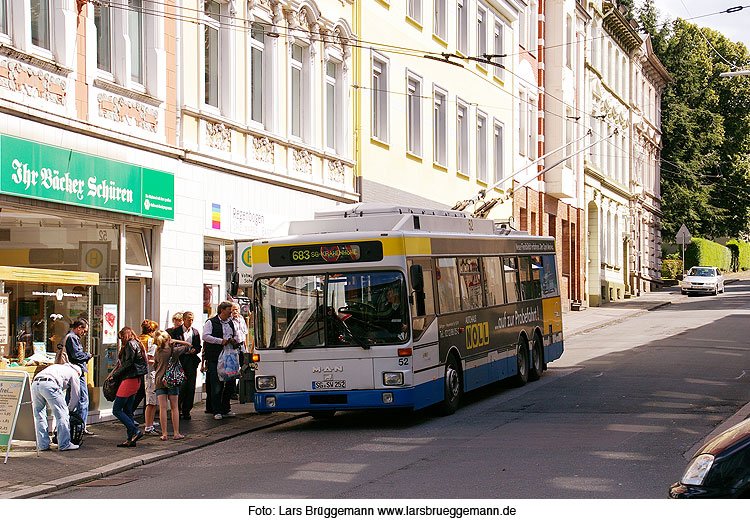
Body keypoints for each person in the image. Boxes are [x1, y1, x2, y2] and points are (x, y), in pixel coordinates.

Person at [31, 363, 83, 451]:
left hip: (36, 383)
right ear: (78, 373)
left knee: (39, 415)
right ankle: (64, 444)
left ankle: (43, 445)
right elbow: (76, 395)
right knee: (62, 415)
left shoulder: (58, 367)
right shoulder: (74, 373)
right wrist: (70, 410)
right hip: (50, 384)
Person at [111, 327, 148, 447]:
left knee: (116, 409)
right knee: (128, 410)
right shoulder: (137, 343)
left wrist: (115, 375)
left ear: (124, 336)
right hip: (136, 380)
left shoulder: (130, 345)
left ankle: (134, 431)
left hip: (129, 379)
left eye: (121, 337)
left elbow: (128, 363)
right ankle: (130, 439)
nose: (121, 340)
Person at [202, 301, 238, 420]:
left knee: (231, 382)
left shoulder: (231, 322)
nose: (231, 312)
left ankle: (226, 408)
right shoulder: (211, 322)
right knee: (216, 384)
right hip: (215, 357)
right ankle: (216, 410)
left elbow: (237, 336)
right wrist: (220, 341)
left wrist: (234, 340)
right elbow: (206, 336)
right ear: (222, 310)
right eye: (229, 310)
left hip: (229, 356)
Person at [152, 330, 190, 440]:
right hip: (172, 380)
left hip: (160, 380)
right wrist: (176, 341)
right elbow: (188, 346)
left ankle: (164, 434)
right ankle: (176, 433)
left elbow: (155, 365)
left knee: (163, 408)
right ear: (168, 339)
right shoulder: (174, 350)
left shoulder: (157, 351)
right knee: (174, 408)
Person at [62, 320, 93, 435]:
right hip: (76, 371)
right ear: (79, 327)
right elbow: (77, 355)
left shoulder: (69, 337)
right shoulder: (72, 338)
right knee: (82, 399)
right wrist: (88, 355)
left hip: (71, 370)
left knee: (71, 398)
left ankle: (71, 424)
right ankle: (80, 426)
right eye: (84, 331)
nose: (84, 334)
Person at [134, 319, 160, 436]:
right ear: (152, 330)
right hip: (150, 373)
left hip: (140, 372)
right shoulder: (151, 342)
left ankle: (148, 424)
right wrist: (158, 362)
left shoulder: (138, 339)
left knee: (147, 398)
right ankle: (149, 426)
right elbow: (149, 359)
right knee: (151, 400)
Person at [174, 311, 201, 420]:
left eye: (192, 320)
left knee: (190, 386)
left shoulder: (195, 332)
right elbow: (174, 346)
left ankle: (187, 410)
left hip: (191, 360)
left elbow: (199, 346)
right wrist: (184, 349)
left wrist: (195, 350)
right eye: (188, 320)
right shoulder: (177, 331)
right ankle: (178, 409)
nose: (190, 322)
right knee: (181, 386)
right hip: (180, 360)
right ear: (184, 320)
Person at [229, 303, 249, 400]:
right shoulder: (229, 321)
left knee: (245, 367)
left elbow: (244, 334)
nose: (235, 312)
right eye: (233, 310)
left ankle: (240, 390)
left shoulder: (241, 319)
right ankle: (232, 392)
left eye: (236, 309)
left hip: (242, 346)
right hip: (233, 347)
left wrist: (246, 349)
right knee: (234, 369)